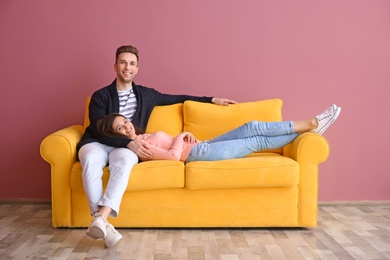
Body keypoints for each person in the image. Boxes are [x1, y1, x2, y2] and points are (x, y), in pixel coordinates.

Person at [76, 45, 236, 248]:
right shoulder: (100, 96)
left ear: (137, 68)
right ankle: (100, 220)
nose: (127, 67)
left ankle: (100, 220)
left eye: (132, 63)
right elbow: (99, 129)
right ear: (115, 66)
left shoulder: (146, 95)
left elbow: (178, 98)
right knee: (89, 159)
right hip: (97, 142)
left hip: (125, 149)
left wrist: (211, 99)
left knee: (124, 163)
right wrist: (129, 142)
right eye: (123, 62)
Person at [97, 105, 341, 163]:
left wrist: (186, 137)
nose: (128, 126)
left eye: (126, 121)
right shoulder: (140, 148)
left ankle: (309, 125)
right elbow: (172, 157)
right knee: (256, 141)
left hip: (204, 144)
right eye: (121, 127)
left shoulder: (142, 136)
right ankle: (311, 125)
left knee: (251, 126)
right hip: (198, 153)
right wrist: (183, 135)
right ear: (115, 134)